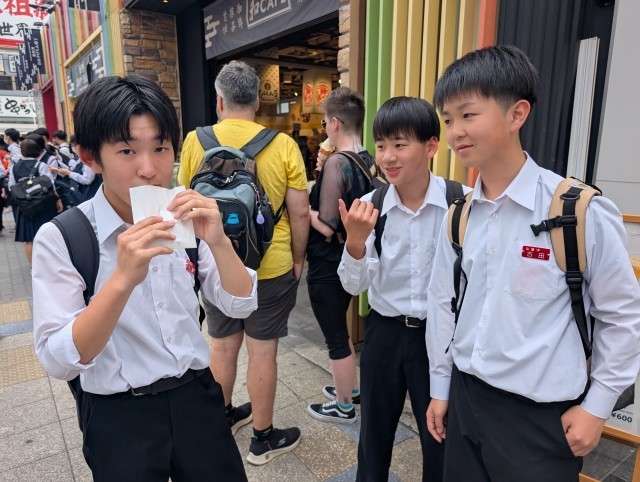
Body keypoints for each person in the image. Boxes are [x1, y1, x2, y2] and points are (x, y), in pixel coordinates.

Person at [425, 45, 640, 482]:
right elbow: (443, 306)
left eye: (468, 115)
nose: (455, 132)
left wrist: (597, 406)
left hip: (540, 421)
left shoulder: (577, 211)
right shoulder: (459, 215)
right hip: (466, 401)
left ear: (517, 114)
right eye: (447, 120)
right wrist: (440, 387)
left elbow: (621, 315)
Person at [32, 75, 257, 481]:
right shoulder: (65, 237)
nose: (149, 169)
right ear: (90, 157)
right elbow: (58, 359)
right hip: (119, 414)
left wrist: (219, 242)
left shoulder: (185, 218)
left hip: (197, 397)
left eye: (160, 148)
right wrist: (121, 280)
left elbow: (239, 304)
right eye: (126, 150)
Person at [178, 61, 310, 466]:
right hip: (270, 265)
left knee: (222, 345)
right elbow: (299, 211)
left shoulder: (195, 141)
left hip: (216, 264)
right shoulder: (283, 144)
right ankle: (263, 439)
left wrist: (192, 263)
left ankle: (221, 420)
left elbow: (183, 204)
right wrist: (298, 259)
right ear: (257, 102)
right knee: (263, 352)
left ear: (219, 100)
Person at [338, 96, 469, 481]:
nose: (387, 157)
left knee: (440, 437)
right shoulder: (370, 206)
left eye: (399, 144)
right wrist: (355, 242)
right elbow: (354, 284)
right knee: (373, 435)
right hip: (385, 332)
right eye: (381, 146)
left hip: (442, 336)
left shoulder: (461, 203)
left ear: (431, 146)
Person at [306, 87, 371, 424]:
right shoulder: (369, 160)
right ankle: (352, 389)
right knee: (340, 329)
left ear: (334, 123)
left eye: (324, 122)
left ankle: (344, 406)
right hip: (350, 259)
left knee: (335, 337)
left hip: (328, 262)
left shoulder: (337, 162)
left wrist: (302, 208)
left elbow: (328, 225)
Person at [8, 138, 63, 263]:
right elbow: (50, 184)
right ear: (38, 151)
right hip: (43, 205)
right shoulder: (41, 165)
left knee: (29, 239)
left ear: (22, 151)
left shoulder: (14, 167)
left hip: (25, 207)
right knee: (47, 235)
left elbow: (11, 186)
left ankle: (33, 268)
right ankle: (49, 263)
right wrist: (57, 200)